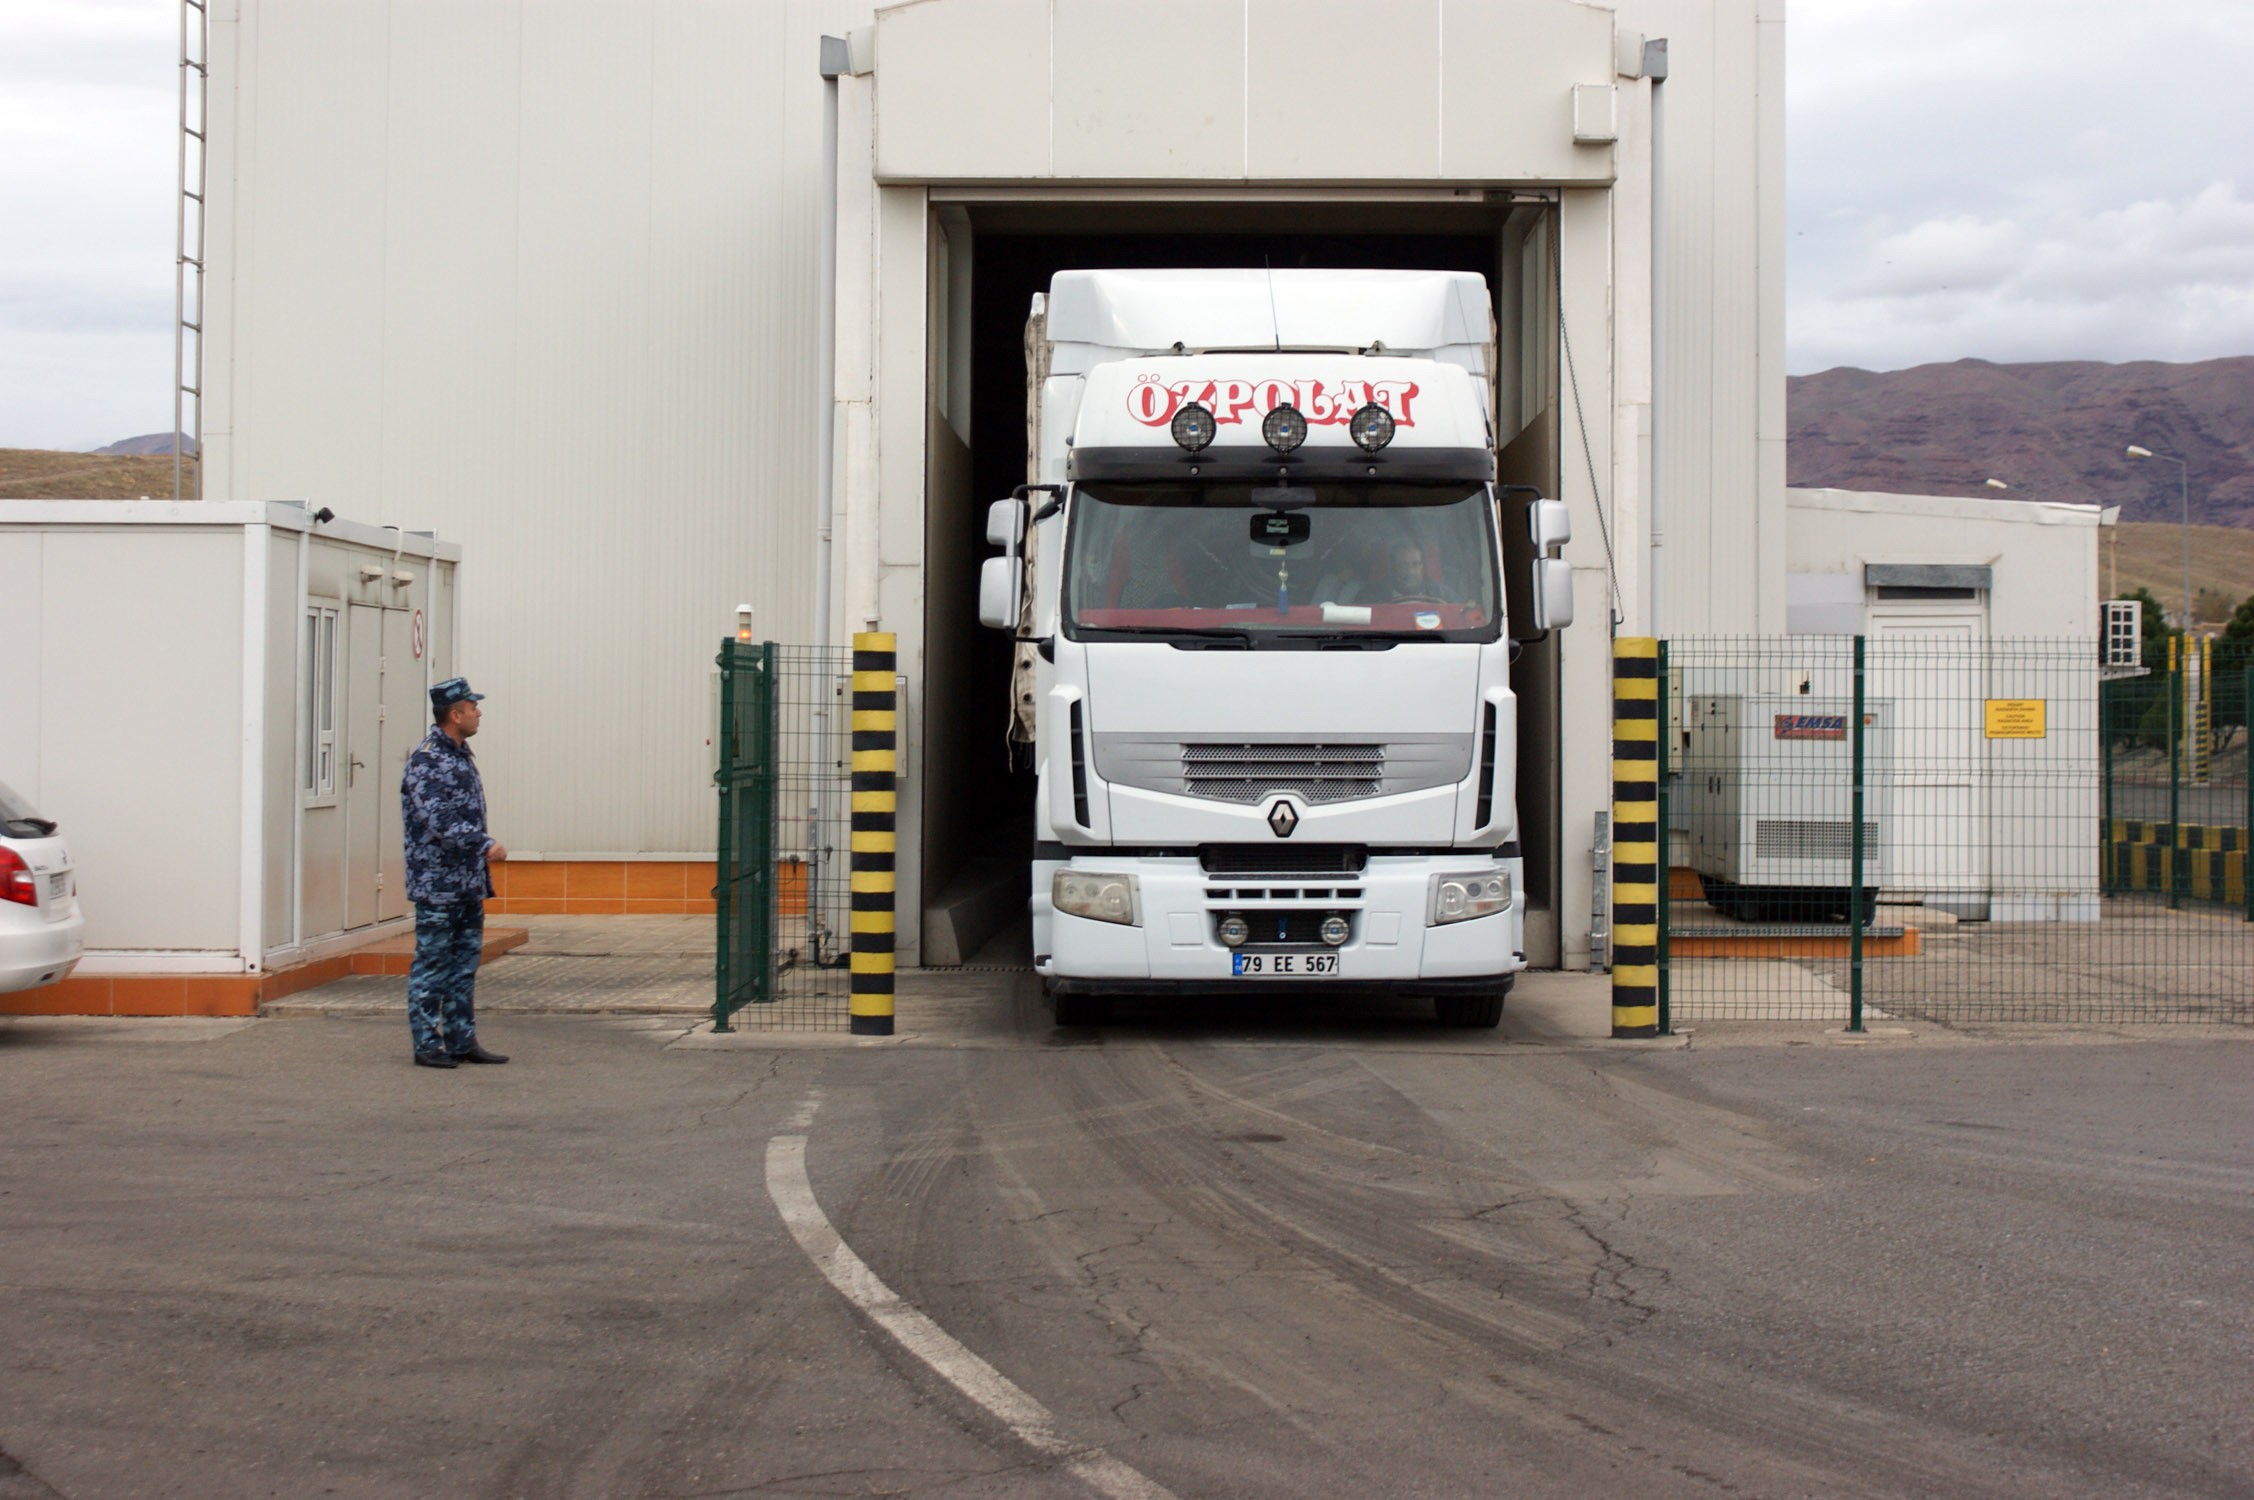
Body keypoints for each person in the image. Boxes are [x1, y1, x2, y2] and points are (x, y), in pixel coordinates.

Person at [400, 677, 509, 1069]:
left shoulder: (461, 755)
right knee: (432, 965)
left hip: (466, 883)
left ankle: (462, 1039)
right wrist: (484, 844)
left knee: (464, 965)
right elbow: (439, 821)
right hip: (437, 886)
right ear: (454, 713)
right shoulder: (428, 759)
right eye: (472, 706)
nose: (479, 712)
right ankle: (427, 1044)